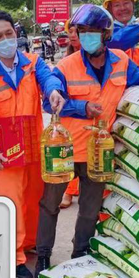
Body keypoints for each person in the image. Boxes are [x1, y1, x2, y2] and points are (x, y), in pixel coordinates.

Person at [35, 4, 139, 278]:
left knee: (90, 208)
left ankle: (81, 253)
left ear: (106, 34)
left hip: (99, 149)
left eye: (93, 31)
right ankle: (43, 255)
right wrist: (80, 107)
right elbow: (50, 99)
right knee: (49, 205)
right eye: (83, 31)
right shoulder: (67, 65)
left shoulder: (121, 62)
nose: (87, 36)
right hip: (65, 149)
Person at [0, 11, 66, 278]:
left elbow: (49, 79)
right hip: (6, 154)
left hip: (34, 149)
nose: (5, 40)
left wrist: (54, 91)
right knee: (11, 203)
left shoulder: (33, 64)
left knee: (36, 199)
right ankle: (14, 257)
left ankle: (31, 242)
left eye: (9, 34)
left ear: (16, 33)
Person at [61, 18, 81, 208]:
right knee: (70, 154)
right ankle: (69, 191)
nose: (73, 35)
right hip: (70, 116)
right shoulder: (65, 62)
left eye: (77, 31)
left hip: (89, 114)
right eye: (71, 31)